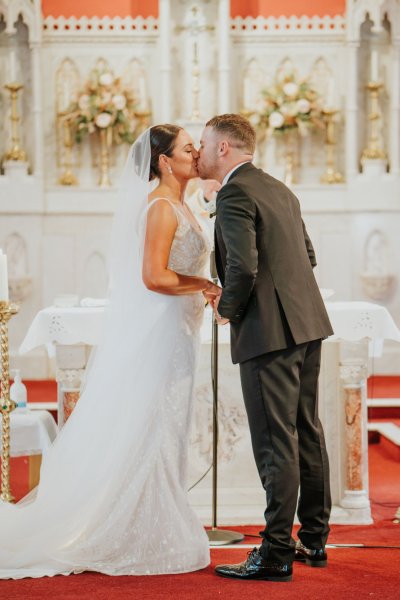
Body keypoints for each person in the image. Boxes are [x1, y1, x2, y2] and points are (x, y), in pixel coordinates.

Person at [0, 125, 220, 579]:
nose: (195, 153)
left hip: (178, 329)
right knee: (152, 423)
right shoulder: (160, 206)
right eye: (186, 148)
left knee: (167, 425)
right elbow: (154, 277)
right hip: (161, 332)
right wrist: (205, 285)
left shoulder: (183, 202)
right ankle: (131, 529)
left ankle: (152, 523)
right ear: (163, 161)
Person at [197, 113, 333, 582]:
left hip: (268, 333)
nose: (197, 151)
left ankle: (275, 552)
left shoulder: (235, 192)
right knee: (306, 431)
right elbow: (309, 256)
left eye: (203, 143)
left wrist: (228, 309)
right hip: (307, 325)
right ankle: (313, 540)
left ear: (224, 149)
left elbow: (244, 268)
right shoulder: (280, 189)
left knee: (276, 443)